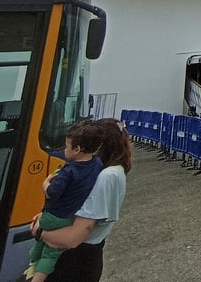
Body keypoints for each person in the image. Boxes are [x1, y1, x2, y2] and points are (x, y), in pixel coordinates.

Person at [32, 118, 132, 282]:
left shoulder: (107, 176)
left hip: (76, 261)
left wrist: (39, 231)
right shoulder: (110, 170)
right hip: (86, 257)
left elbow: (74, 238)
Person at [26, 121, 105, 282]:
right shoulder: (97, 164)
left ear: (77, 149)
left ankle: (34, 269)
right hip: (69, 218)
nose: (64, 150)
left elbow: (53, 193)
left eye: (66, 146)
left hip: (53, 216)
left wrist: (46, 183)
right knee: (50, 253)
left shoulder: (69, 171)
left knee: (47, 252)